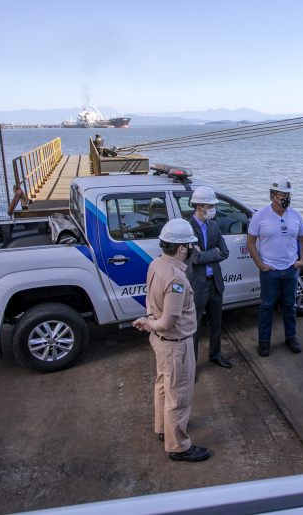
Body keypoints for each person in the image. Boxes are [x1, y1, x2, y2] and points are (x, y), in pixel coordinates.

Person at [132, 219, 211, 463]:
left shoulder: (156, 263)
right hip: (176, 345)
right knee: (179, 395)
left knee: (163, 386)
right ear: (181, 248)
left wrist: (148, 320)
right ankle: (178, 447)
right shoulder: (177, 280)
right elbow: (167, 322)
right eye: (190, 245)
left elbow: (150, 297)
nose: (193, 249)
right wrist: (149, 323)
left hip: (160, 343)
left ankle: (163, 429)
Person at [246, 175, 303, 357]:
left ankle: (291, 338)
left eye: (289, 194)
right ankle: (264, 342)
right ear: (272, 195)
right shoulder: (260, 216)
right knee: (267, 306)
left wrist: (302, 261)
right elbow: (250, 242)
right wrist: (261, 265)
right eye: (283, 195)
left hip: (290, 269)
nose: (287, 198)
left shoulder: (296, 216)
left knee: (289, 306)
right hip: (270, 271)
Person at [186, 186, 232, 369]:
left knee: (216, 323)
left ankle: (215, 355)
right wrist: (214, 252)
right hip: (197, 285)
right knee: (193, 327)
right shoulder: (187, 228)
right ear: (199, 207)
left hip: (215, 283)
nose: (213, 209)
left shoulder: (214, 226)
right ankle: (192, 365)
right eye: (209, 205)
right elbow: (194, 258)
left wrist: (206, 254)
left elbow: (225, 252)